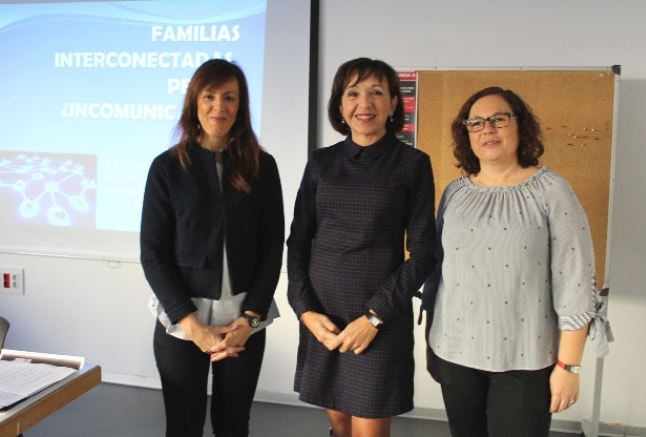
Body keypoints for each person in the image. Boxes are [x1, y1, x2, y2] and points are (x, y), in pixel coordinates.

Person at [422, 86, 614, 437]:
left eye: (498, 119)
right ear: (466, 134)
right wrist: (431, 344)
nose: (487, 129)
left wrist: (569, 367)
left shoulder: (551, 190)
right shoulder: (455, 192)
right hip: (454, 354)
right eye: (476, 122)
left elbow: (575, 281)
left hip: (525, 361)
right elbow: (439, 274)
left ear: (520, 126)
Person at [286, 58, 436, 437]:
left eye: (376, 93)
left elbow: (423, 253)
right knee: (338, 423)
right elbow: (299, 240)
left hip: (378, 319)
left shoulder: (412, 164)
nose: (364, 103)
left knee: (369, 426)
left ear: (391, 105)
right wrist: (304, 310)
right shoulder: (321, 162)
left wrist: (374, 317)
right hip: (325, 317)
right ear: (340, 105)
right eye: (353, 93)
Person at [140, 59, 284, 437]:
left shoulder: (262, 166)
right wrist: (191, 325)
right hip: (182, 321)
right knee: (184, 424)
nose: (219, 107)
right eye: (209, 96)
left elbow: (272, 245)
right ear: (194, 102)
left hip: (243, 320)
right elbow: (152, 253)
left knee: (233, 424)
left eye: (229, 97)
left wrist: (250, 319)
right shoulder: (166, 168)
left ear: (241, 105)